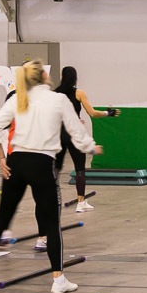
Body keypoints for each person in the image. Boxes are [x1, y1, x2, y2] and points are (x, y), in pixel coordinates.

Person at [0, 60, 99, 293]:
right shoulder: (58, 99)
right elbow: (76, 131)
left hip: (16, 161)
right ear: (44, 77)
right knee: (52, 222)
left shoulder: (18, 98)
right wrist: (91, 147)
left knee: (3, 216)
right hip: (42, 163)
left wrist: (2, 158)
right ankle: (58, 280)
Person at [53, 66, 119, 215]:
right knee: (80, 168)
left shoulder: (54, 94)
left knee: (56, 168)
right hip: (74, 133)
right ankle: (81, 202)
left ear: (62, 77)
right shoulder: (79, 93)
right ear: (75, 78)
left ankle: (51, 199)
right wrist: (108, 113)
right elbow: (92, 113)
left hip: (58, 134)